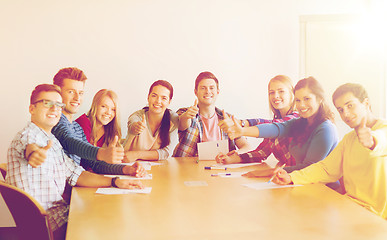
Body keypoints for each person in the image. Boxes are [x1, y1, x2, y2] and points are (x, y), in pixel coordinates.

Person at [6, 84, 143, 240]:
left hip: (63, 215)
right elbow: (29, 147)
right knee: (117, 222)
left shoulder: (52, 141)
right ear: (32, 108)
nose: (54, 109)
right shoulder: (28, 136)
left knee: (116, 212)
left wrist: (115, 181)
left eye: (58, 105)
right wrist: (33, 153)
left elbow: (77, 174)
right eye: (47, 104)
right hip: (48, 226)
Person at [273, 83, 387, 219]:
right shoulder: (349, 139)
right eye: (341, 110)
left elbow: (382, 140)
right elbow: (326, 169)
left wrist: (372, 142)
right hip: (350, 207)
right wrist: (291, 177)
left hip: (375, 217)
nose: (346, 114)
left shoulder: (381, 131)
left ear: (366, 103)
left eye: (350, 105)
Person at [26, 67, 144, 177]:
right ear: (58, 93)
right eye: (71, 92)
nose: (77, 98)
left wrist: (126, 170)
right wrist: (102, 153)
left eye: (81, 93)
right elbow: (69, 142)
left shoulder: (77, 127)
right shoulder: (53, 121)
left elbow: (93, 164)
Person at [222, 77, 338, 178]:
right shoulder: (300, 122)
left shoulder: (326, 129)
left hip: (325, 189)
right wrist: (242, 132)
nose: (301, 105)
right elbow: (275, 128)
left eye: (307, 99)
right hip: (300, 182)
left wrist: (272, 172)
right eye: (298, 100)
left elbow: (309, 168)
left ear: (319, 98)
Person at [215, 75, 299, 168]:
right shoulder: (275, 123)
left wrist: (242, 123)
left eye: (281, 91)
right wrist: (232, 159)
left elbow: (273, 126)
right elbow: (261, 152)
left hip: (303, 178)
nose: (275, 96)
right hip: (288, 176)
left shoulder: (296, 118)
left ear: (292, 94)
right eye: (271, 92)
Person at [173, 71, 250, 157]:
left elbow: (246, 147)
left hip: (221, 168)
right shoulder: (185, 113)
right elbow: (181, 124)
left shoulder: (227, 119)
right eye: (203, 88)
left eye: (211, 88)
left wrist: (235, 155)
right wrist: (187, 117)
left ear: (217, 92)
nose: (207, 91)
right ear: (196, 92)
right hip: (188, 167)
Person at [123, 80, 178, 161]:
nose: (158, 101)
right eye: (154, 96)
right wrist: (135, 128)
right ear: (148, 97)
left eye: (164, 98)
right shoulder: (137, 116)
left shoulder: (172, 119)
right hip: (129, 165)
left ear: (169, 102)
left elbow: (166, 152)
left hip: (157, 169)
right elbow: (132, 124)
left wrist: (137, 154)